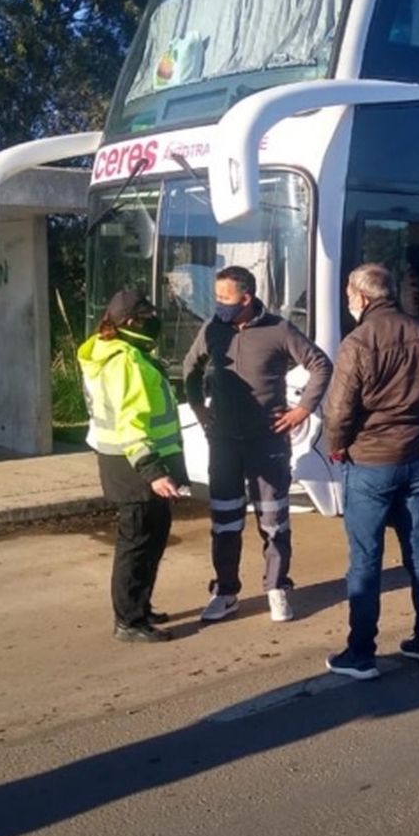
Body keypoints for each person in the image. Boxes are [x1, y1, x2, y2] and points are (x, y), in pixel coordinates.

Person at [321, 263, 419, 680]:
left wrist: (337, 448)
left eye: (348, 296)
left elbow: (339, 410)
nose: (347, 302)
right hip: (416, 459)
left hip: (370, 462)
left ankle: (361, 654)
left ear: (361, 297)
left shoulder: (358, 341)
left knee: (365, 559)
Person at [183, 266, 332, 623]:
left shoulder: (278, 330)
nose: (218, 305)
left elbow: (321, 365)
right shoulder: (213, 330)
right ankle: (226, 591)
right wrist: (200, 411)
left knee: (274, 519)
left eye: (225, 298)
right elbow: (190, 369)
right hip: (223, 445)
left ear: (246, 299)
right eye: (216, 297)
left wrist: (302, 410)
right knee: (225, 521)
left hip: (267, 443)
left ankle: (277, 588)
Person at [77, 288, 189, 643]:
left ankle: (139, 605)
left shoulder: (113, 350)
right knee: (137, 543)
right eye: (146, 317)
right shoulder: (126, 361)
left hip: (124, 462)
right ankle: (129, 620)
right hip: (135, 467)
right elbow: (131, 423)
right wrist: (153, 472)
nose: (155, 323)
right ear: (129, 322)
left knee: (152, 539)